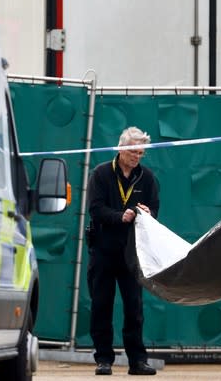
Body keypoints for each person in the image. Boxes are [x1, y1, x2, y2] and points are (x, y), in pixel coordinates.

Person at [86, 126, 160, 376]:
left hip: (132, 253)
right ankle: (103, 359)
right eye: (133, 152)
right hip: (103, 250)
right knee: (101, 305)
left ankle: (137, 361)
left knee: (134, 308)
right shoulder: (101, 174)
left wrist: (147, 215)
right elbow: (95, 210)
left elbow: (155, 212)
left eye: (141, 153)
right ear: (121, 148)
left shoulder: (147, 178)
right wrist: (121, 216)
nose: (137, 157)